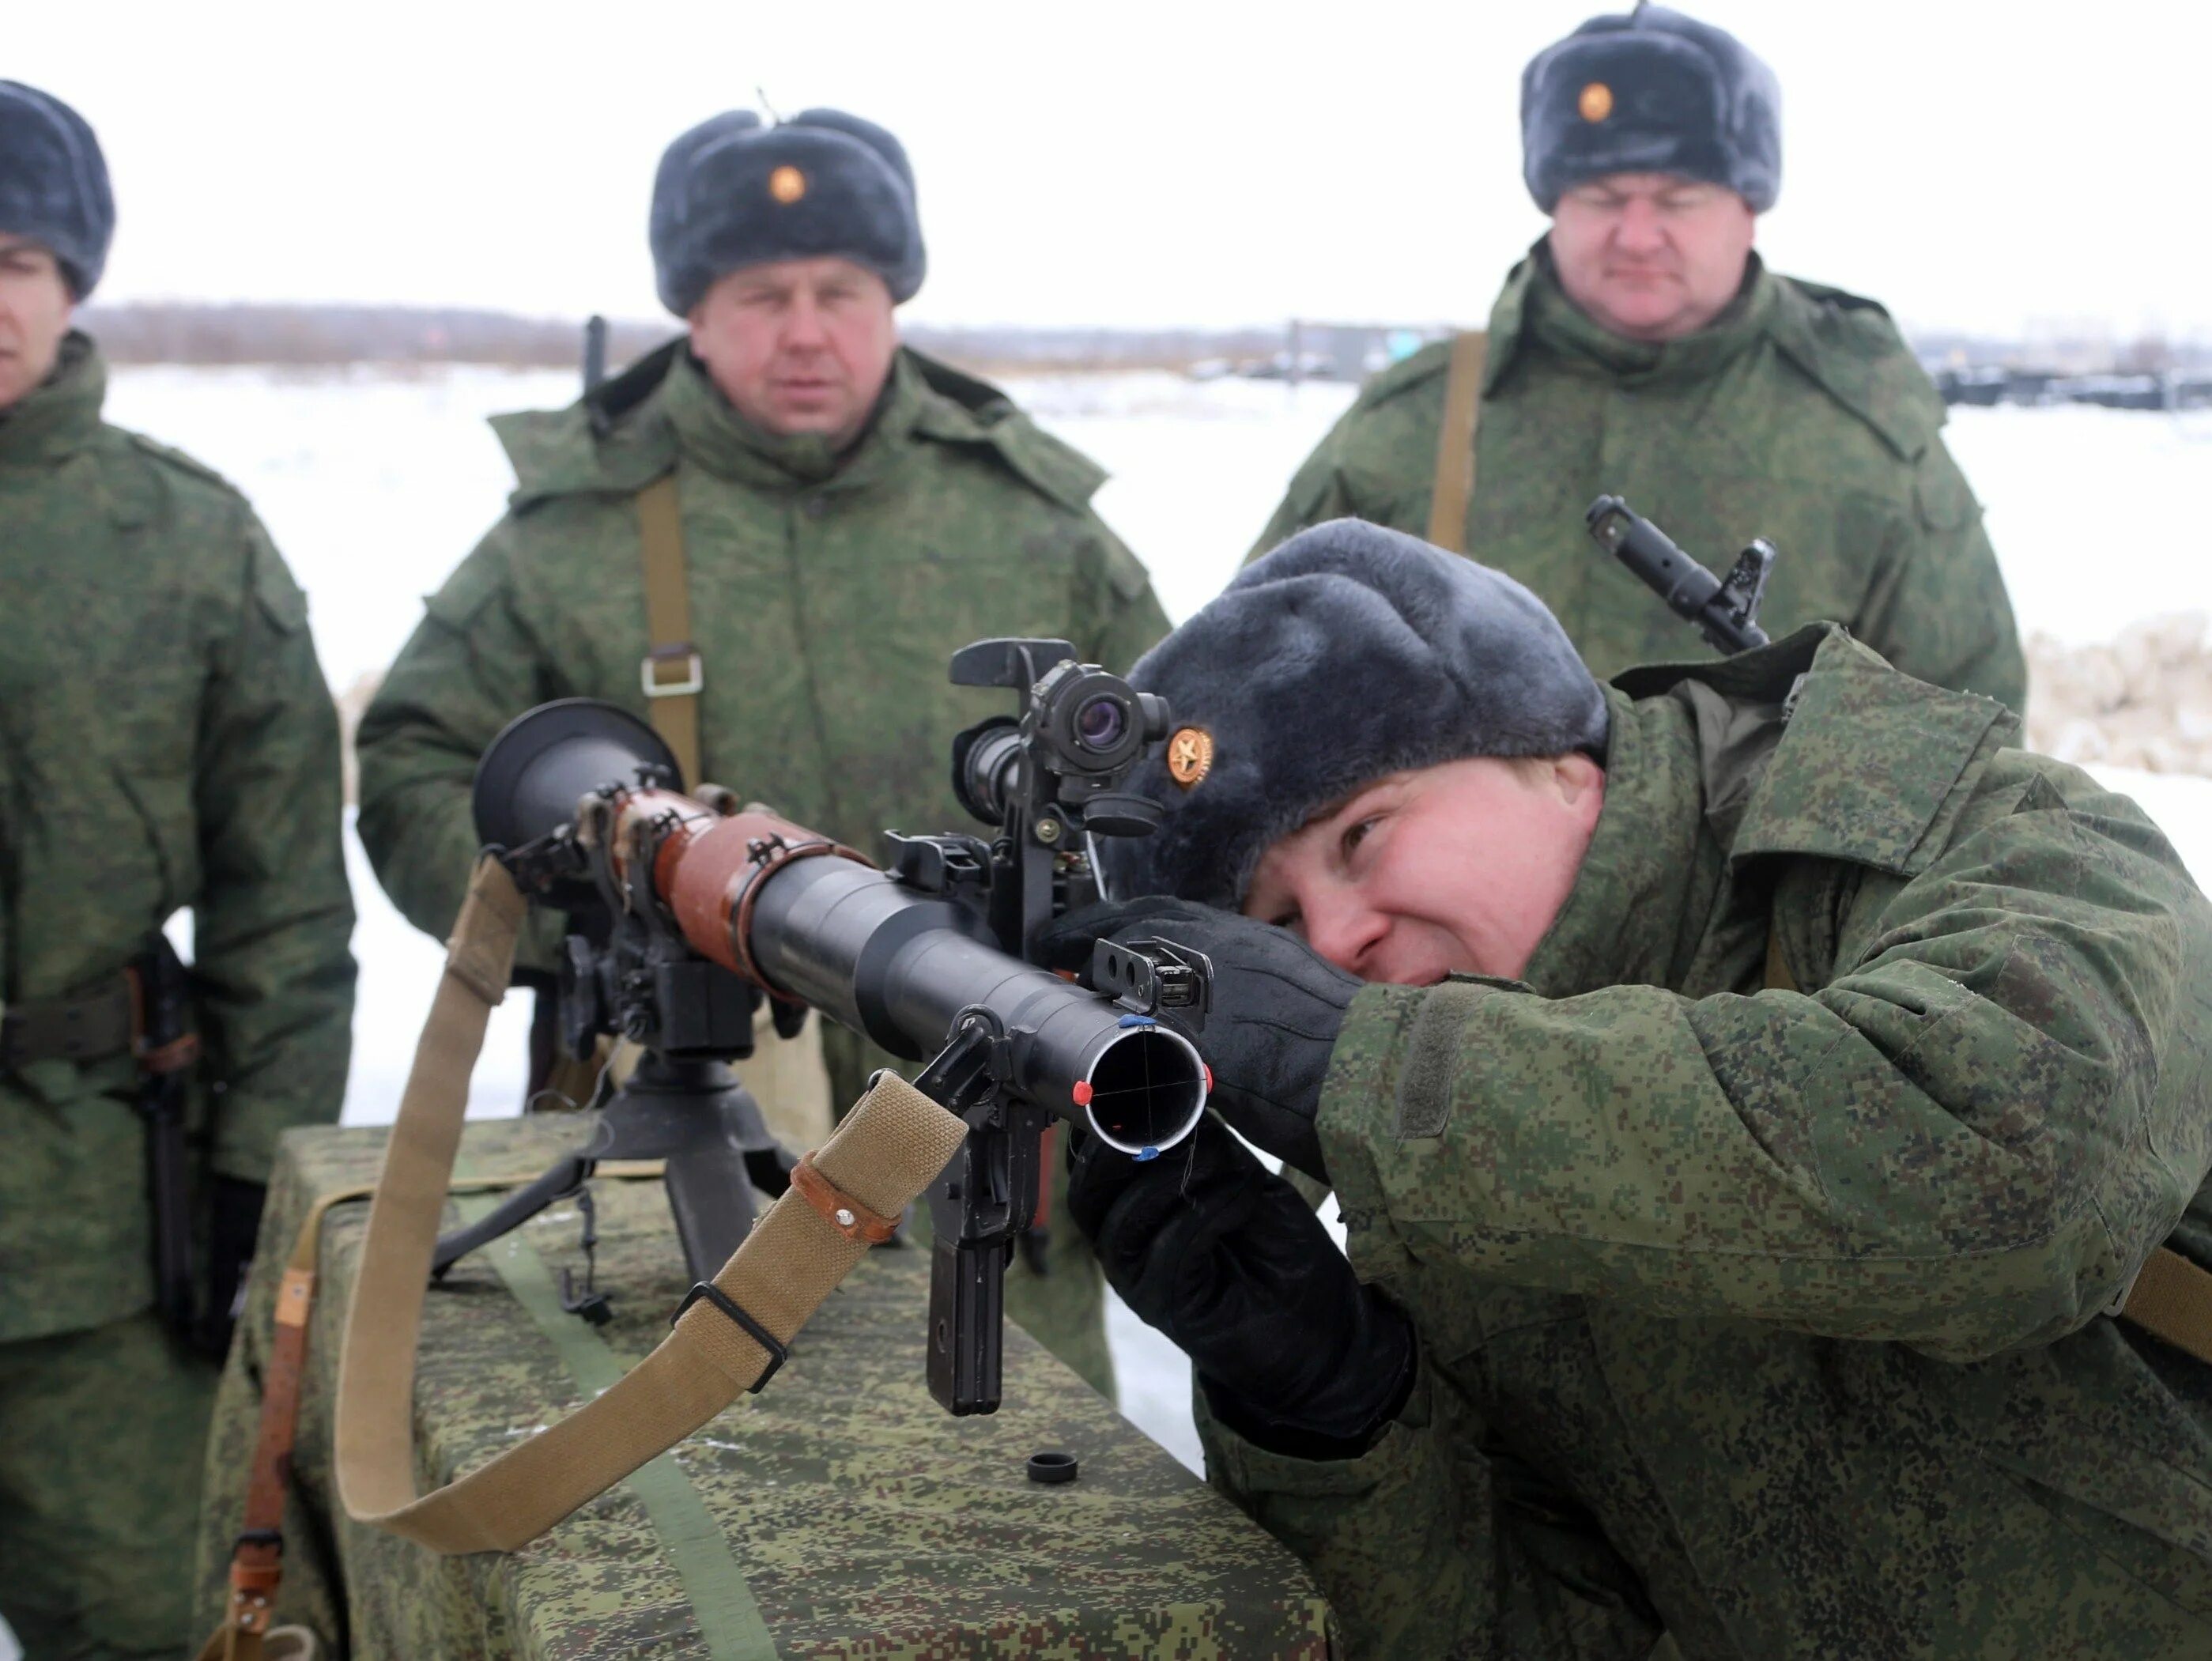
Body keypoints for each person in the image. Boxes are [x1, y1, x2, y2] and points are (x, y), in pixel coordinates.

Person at [1044, 519, 2212, 1659]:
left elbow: (2016, 1170)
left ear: (1558, 758)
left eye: (1361, 836)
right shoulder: (1435, 1171)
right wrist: (1335, 1415)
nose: (1336, 938)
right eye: (1277, 926)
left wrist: (1370, 1077)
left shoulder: (1953, 832)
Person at [354, 108, 1168, 1399]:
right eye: (760, 294)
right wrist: (600, 894)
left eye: (839, 290)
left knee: (1030, 1520)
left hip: (993, 1169)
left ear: (892, 299)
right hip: (674, 1164)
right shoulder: (573, 531)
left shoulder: (1033, 526)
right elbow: (415, 766)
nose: (805, 330)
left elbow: (1170, 791)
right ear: (691, 311)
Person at [0, 82, 357, 1659]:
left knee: (162, 1626)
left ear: (71, 281)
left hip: (95, 1265)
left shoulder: (188, 544)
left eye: (13, 257)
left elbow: (281, 903)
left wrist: (250, 1188)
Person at [1254, 5, 2026, 710]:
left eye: (1675, 200)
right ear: (1552, 204)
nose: (1634, 235)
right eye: (1599, 197)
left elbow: (1966, 762)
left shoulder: (1866, 437)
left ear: (1747, 210)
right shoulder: (1418, 420)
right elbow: (1238, 687)